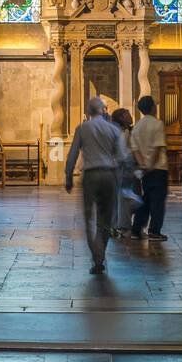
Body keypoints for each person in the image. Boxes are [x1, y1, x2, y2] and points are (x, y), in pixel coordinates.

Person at [64, 96, 128, 274]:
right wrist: (118, 177)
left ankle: (97, 257)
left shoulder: (82, 128)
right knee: (105, 219)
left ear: (88, 111)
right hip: (108, 175)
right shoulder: (113, 129)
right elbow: (122, 157)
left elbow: (72, 154)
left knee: (88, 219)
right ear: (103, 111)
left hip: (90, 175)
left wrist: (68, 177)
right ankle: (100, 255)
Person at [130, 95, 169, 241]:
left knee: (146, 199)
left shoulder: (137, 127)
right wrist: (151, 165)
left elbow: (135, 149)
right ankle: (154, 231)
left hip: (144, 169)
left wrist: (143, 165)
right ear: (153, 107)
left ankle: (136, 230)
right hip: (158, 168)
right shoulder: (157, 124)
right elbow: (158, 147)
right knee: (157, 201)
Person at [109, 107, 142, 236]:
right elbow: (125, 153)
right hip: (123, 168)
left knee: (120, 198)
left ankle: (115, 225)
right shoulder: (123, 132)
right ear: (122, 117)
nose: (130, 116)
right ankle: (123, 227)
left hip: (119, 168)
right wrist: (134, 166)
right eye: (127, 114)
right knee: (125, 199)